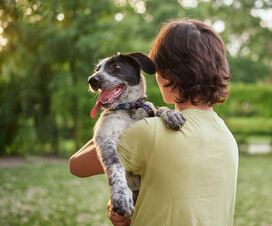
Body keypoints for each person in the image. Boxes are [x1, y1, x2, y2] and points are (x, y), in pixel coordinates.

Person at [69, 18, 238, 226]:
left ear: (166, 73)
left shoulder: (148, 133)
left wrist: (117, 112)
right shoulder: (227, 137)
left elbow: (76, 165)